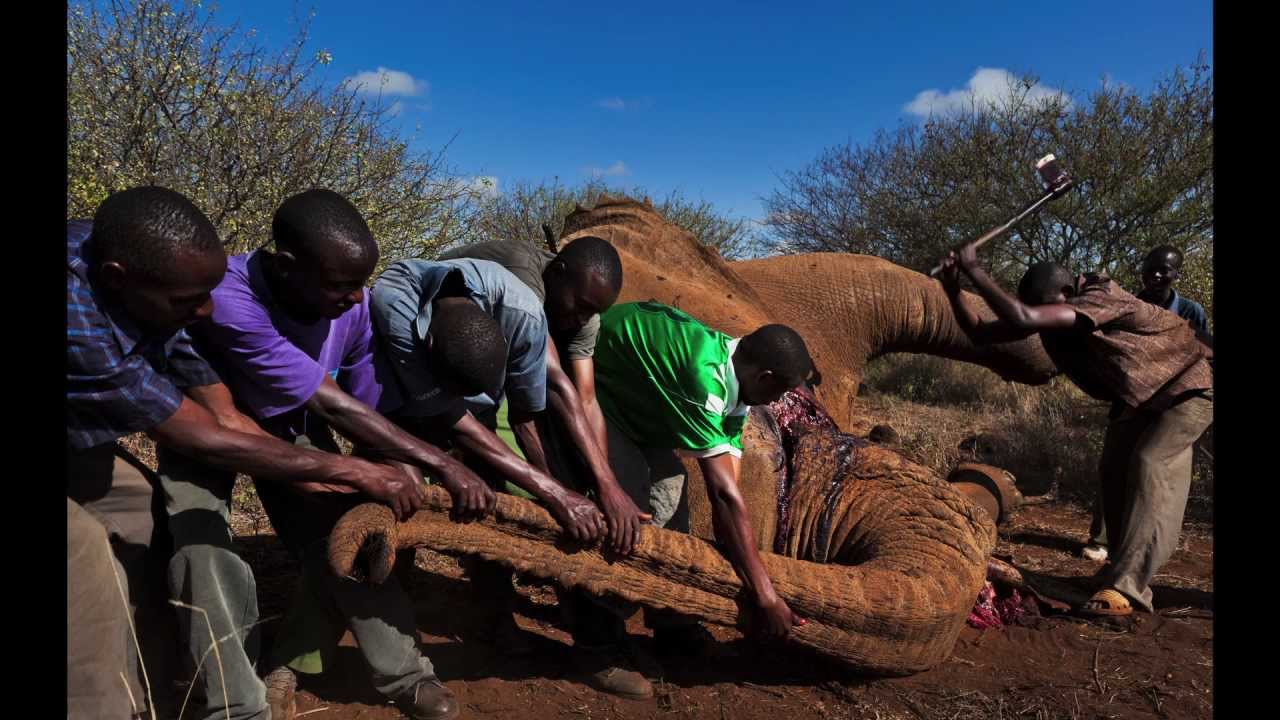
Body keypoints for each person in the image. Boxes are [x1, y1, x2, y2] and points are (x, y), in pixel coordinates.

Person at [67, 187, 420, 720]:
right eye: (190, 302)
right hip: (130, 434)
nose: (205, 310)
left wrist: (300, 467)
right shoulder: (79, 323)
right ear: (118, 278)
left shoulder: (142, 279)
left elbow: (217, 407)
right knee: (89, 557)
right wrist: (347, 466)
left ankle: (159, 692)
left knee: (146, 517)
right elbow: (196, 436)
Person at [162, 189, 495, 720]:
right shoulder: (228, 294)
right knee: (204, 549)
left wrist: (402, 472)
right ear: (288, 266)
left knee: (347, 535)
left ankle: (403, 674)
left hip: (289, 427)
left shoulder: (352, 311)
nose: (359, 297)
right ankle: (235, 702)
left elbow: (367, 405)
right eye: (342, 284)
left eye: (362, 282)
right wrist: (443, 464)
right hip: (202, 428)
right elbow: (331, 405)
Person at [369, 256, 656, 692]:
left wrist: (586, 489)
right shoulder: (396, 307)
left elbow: (530, 408)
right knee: (397, 505)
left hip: (473, 397)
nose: (581, 318)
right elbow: (446, 415)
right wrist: (554, 494)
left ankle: (493, 616)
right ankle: (376, 634)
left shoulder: (522, 312)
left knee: (491, 500)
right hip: (396, 399)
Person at [938, 245, 1212, 618]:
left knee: (1152, 463)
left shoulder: (1102, 295)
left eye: (1047, 308)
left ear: (1066, 296)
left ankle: (1129, 588)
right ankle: (1118, 568)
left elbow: (1021, 316)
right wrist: (954, 288)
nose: (1043, 318)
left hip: (1189, 386)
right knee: (1113, 469)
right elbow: (981, 332)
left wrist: (975, 269)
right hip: (1144, 397)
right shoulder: (1054, 313)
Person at [582, 301, 814, 673]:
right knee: (631, 506)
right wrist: (766, 596)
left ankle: (674, 624)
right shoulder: (705, 378)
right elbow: (722, 494)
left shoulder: (737, 369)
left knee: (672, 491)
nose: (779, 401)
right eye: (781, 391)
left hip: (643, 404)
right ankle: (598, 634)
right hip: (600, 396)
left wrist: (740, 542)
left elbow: (731, 484)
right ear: (766, 377)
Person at [438, 237, 649, 553]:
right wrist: (571, 493)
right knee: (500, 464)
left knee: (566, 463)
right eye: (580, 306)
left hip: (500, 356)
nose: (582, 319)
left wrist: (604, 486)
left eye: (592, 313)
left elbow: (586, 400)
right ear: (558, 272)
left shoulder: (586, 315)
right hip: (442, 344)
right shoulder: (522, 272)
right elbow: (549, 381)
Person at [1082, 244, 1213, 562]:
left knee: (1151, 467)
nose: (1156, 274)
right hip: (1130, 396)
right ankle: (1103, 540)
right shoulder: (1128, 303)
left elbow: (1201, 354)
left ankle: (1144, 549)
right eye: (1151, 267)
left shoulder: (1191, 311)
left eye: (1164, 269)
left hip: (1174, 401)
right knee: (1112, 465)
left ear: (1176, 274)